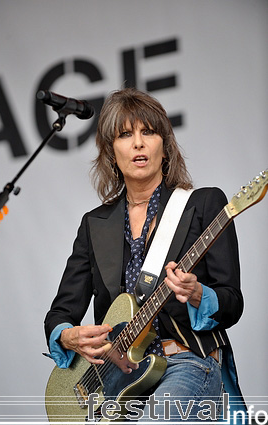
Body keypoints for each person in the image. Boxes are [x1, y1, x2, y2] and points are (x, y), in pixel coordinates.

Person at [44, 88, 245, 422]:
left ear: (164, 146)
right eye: (125, 134)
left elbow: (232, 301)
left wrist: (198, 293)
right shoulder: (95, 224)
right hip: (117, 377)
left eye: (147, 132)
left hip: (187, 362)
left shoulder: (203, 204)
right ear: (111, 153)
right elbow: (61, 311)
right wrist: (68, 335)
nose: (138, 143)